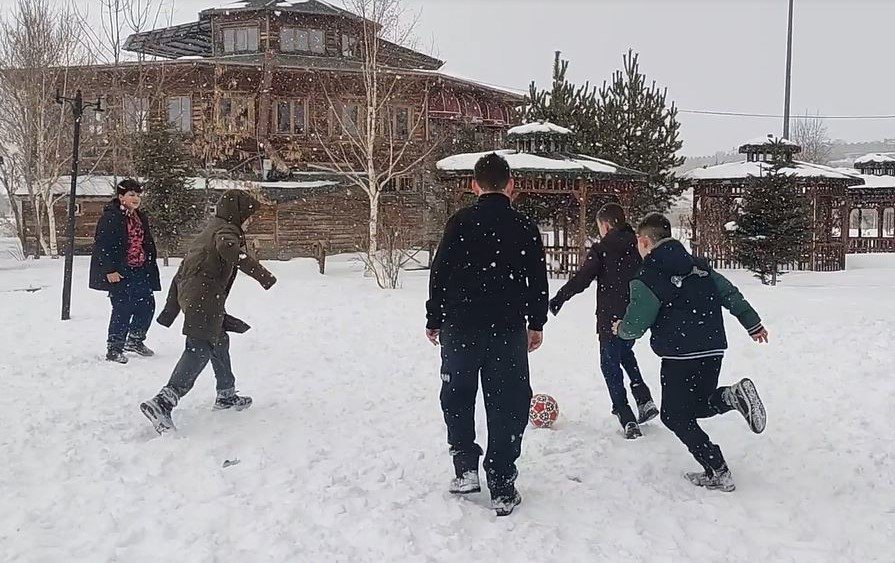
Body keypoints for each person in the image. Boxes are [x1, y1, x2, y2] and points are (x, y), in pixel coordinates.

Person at [425, 153, 549, 517]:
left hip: (461, 327)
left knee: (457, 395)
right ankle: (502, 481)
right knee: (508, 403)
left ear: (473, 185)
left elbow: (440, 273)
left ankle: (465, 467)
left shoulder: (459, 222)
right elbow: (537, 280)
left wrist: (435, 317)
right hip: (507, 329)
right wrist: (536, 322)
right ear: (511, 185)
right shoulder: (523, 226)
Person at [612, 213, 769, 492]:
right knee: (699, 404)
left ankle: (717, 468)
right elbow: (730, 294)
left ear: (644, 240)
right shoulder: (700, 267)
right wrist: (752, 323)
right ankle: (731, 397)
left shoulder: (648, 275)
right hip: (712, 348)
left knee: (674, 415)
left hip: (678, 354)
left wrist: (620, 329)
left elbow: (636, 323)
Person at [140, 189, 276, 434]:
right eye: (248, 215)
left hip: (198, 296)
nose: (250, 220)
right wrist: (263, 275)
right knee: (200, 347)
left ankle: (226, 394)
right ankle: (163, 402)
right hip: (204, 297)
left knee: (219, 338)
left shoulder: (209, 230)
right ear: (238, 213)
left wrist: (171, 310)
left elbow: (182, 272)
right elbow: (229, 248)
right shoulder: (225, 231)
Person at [548, 203, 659, 439]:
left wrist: (559, 297)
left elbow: (582, 278)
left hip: (610, 316)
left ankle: (626, 415)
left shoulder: (602, 248)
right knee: (625, 352)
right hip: (636, 314)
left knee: (609, 364)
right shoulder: (639, 243)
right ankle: (643, 396)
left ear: (606, 224)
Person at [89, 178, 161, 364]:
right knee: (122, 308)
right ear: (121, 197)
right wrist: (109, 269)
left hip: (141, 269)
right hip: (121, 271)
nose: (136, 198)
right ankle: (114, 348)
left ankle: (135, 340)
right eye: (131, 194)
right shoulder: (111, 217)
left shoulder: (139, 217)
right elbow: (101, 246)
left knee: (147, 306)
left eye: (138, 195)